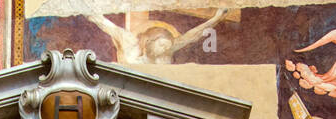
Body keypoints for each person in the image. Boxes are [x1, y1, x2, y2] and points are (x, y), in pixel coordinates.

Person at [84, 6, 230, 64]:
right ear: (150, 40)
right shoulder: (129, 41)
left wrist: (215, 19)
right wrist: (83, 7)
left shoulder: (168, 51)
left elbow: (193, 35)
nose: (164, 50)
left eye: (167, 47)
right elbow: (104, 23)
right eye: (161, 45)